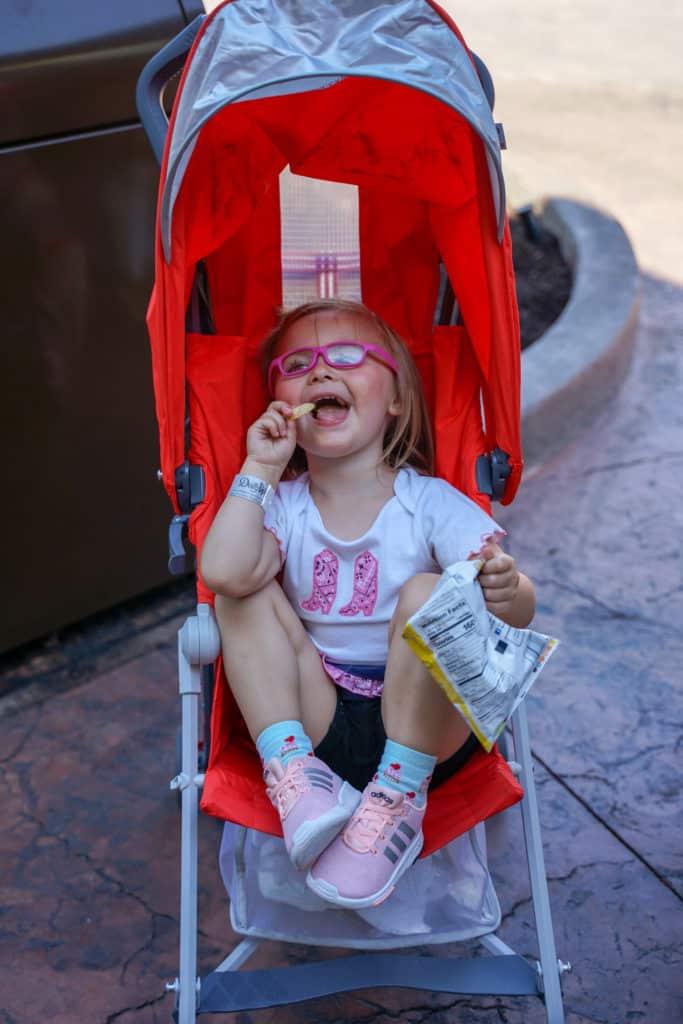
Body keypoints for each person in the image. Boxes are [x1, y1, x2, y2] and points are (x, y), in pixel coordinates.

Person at [201, 298, 536, 910]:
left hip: (430, 730)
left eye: (348, 355)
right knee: (239, 595)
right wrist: (259, 467)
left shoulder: (429, 502)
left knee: (427, 594)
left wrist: (509, 591)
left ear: (397, 401)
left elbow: (513, 612)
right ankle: (298, 783)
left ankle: (398, 803)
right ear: (281, 404)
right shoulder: (283, 506)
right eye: (298, 362)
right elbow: (221, 570)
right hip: (320, 723)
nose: (322, 372)